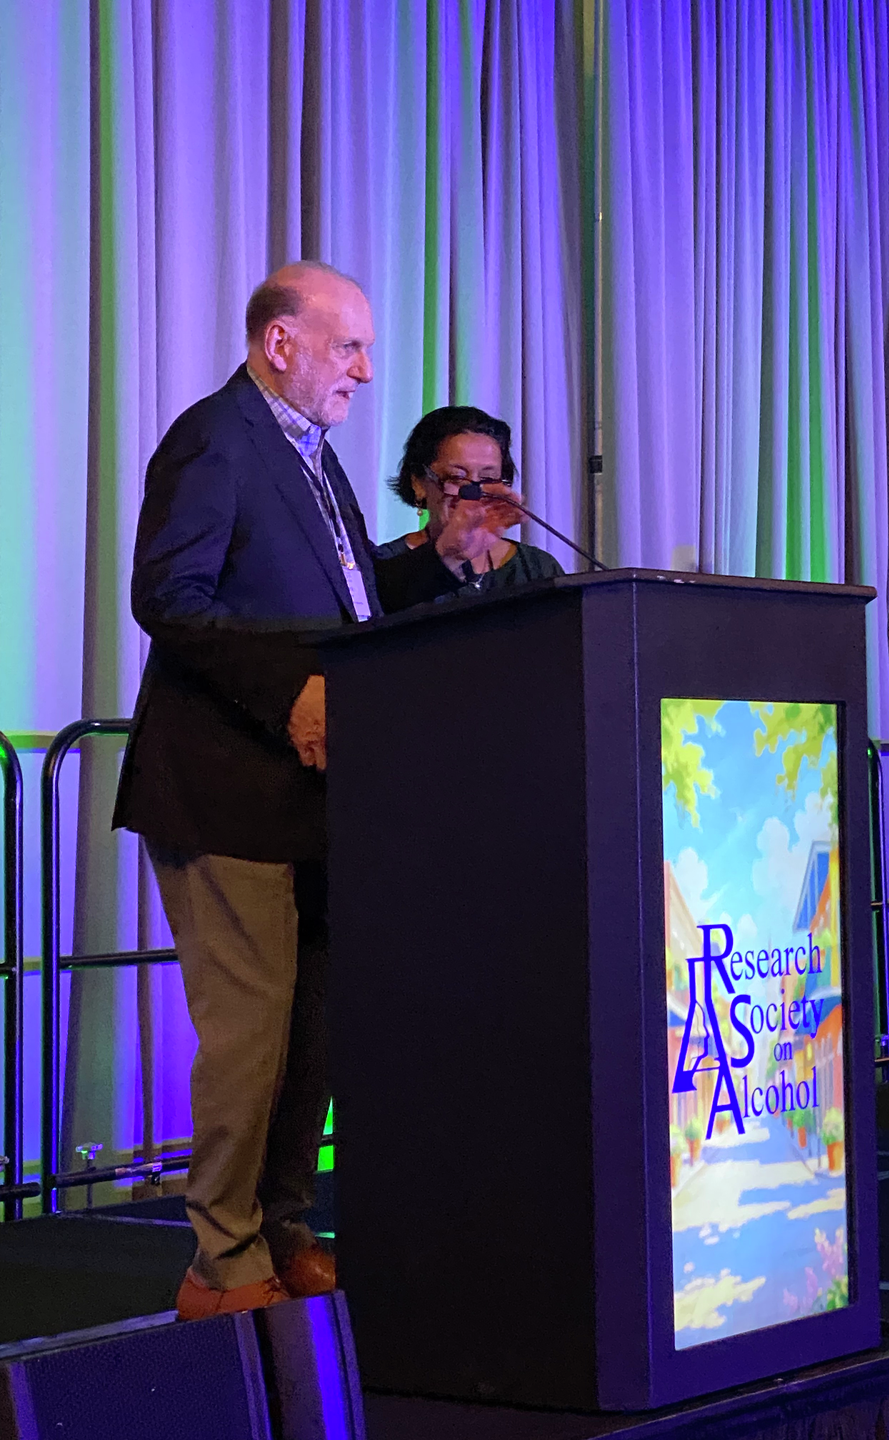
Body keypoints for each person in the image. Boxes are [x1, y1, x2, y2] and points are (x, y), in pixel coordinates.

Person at [113, 261, 378, 1320]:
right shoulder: (216, 438)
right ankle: (219, 1259)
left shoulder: (311, 456)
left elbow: (340, 608)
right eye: (346, 345)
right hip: (223, 792)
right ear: (280, 342)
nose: (364, 369)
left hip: (309, 802)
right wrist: (294, 693)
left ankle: (281, 1221)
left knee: (312, 1028)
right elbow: (167, 599)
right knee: (253, 1031)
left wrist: (440, 561)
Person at [374, 406, 564, 612]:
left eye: (487, 480)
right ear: (419, 484)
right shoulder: (385, 568)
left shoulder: (537, 569)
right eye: (456, 478)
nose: (473, 494)